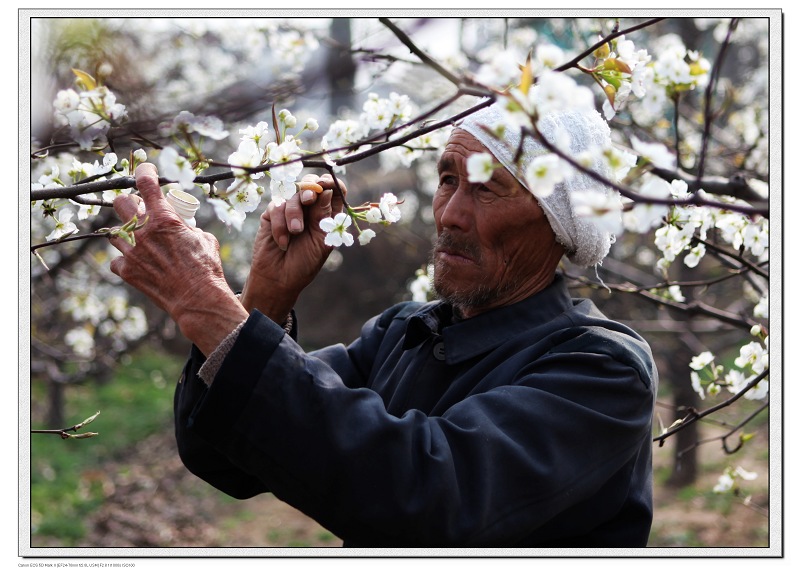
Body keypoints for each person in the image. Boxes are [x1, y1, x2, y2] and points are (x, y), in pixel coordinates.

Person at [108, 103, 657, 548]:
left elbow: (429, 498)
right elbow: (228, 457)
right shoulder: (405, 333)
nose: (448, 214)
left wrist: (208, 306)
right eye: (448, 179)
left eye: (486, 188)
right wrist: (263, 302)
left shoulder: (603, 370)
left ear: (560, 224)